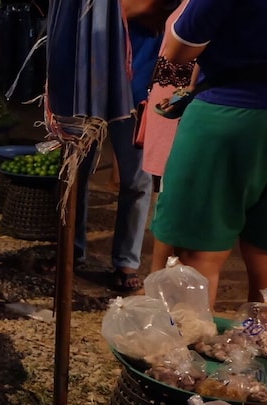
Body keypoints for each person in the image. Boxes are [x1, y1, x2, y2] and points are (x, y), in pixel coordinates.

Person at [150, 0, 267, 330]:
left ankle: (182, 367)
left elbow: (179, 50)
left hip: (232, 111)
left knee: (197, 252)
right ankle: (253, 359)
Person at [72, 13, 159, 293]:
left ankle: (126, 262)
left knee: (137, 180)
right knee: (74, 172)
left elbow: (152, 8)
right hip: (87, 77)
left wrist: (99, 11)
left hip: (136, 80)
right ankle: (72, 250)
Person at [140, 0, 197, 273]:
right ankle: (161, 277)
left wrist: (190, 90)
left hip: (183, 101)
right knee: (168, 193)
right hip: (170, 98)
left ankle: (161, 277)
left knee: (174, 195)